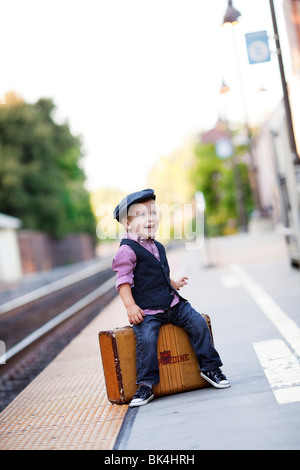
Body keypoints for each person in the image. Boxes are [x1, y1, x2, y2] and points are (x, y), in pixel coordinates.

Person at [112, 189, 230, 407]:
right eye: (141, 214)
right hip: (148, 310)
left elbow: (159, 273)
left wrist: (173, 283)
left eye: (153, 213)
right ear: (127, 224)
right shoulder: (127, 251)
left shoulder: (157, 246)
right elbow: (123, 281)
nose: (149, 218)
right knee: (146, 338)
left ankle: (210, 368)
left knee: (198, 322)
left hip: (171, 303)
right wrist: (130, 306)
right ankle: (146, 384)